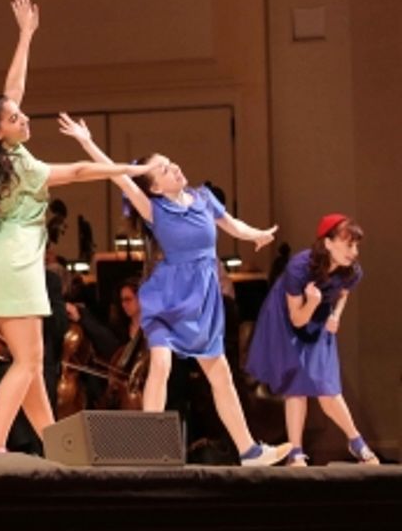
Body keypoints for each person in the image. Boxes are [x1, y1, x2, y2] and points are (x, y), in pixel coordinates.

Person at [0, 0, 151, 456]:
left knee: (35, 361)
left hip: (8, 263)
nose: (23, 116)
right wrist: (127, 169)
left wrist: (25, 36)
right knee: (25, 363)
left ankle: (57, 447)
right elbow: (80, 172)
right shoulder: (21, 169)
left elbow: (13, 89)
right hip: (19, 267)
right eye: (13, 118)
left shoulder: (5, 152)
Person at [59, 112, 290, 465]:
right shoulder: (154, 208)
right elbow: (119, 178)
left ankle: (250, 451)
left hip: (203, 298)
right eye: (164, 169)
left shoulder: (203, 199)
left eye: (171, 163)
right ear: (154, 186)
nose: (174, 168)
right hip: (167, 296)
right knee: (162, 364)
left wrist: (255, 234)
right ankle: (150, 449)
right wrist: (86, 141)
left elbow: (231, 224)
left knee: (221, 373)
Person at [245, 214, 377, 465]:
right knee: (297, 383)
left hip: (319, 317)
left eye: (356, 245)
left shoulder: (352, 271)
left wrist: (336, 315)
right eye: (349, 244)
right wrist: (313, 301)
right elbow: (296, 318)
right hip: (289, 318)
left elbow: (343, 293)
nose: (354, 251)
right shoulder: (299, 267)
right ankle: (296, 451)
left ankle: (355, 440)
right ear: (328, 243)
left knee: (325, 384)